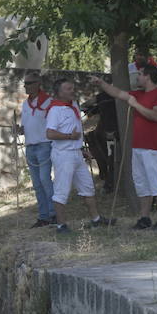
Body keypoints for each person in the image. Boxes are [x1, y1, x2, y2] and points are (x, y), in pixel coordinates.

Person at [91, 64, 157, 230]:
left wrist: (135, 105)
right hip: (138, 147)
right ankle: (145, 218)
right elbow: (118, 93)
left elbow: (156, 116)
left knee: (155, 182)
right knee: (141, 183)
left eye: (140, 74)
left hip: (153, 147)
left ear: (148, 76)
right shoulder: (138, 94)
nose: (137, 77)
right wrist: (101, 84)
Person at [44, 77, 114, 233]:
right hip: (63, 155)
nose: (72, 91)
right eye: (68, 89)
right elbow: (49, 133)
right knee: (62, 191)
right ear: (59, 92)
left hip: (75, 153)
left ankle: (96, 219)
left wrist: (81, 148)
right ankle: (61, 225)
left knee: (88, 187)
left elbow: (75, 130)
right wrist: (70, 137)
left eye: (72, 88)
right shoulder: (55, 110)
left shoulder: (73, 105)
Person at [19, 74, 56, 227]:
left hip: (44, 145)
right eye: (25, 83)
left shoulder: (49, 102)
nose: (25, 86)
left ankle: (54, 214)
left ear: (38, 84)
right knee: (36, 183)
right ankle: (43, 216)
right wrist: (18, 129)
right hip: (30, 146)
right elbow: (24, 126)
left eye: (28, 83)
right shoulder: (25, 104)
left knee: (45, 181)